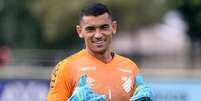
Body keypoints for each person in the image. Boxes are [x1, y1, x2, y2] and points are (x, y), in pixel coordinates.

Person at [47, 3, 152, 101]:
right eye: (90, 29)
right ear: (80, 31)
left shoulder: (131, 67)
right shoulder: (66, 67)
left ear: (113, 27)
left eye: (104, 27)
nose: (98, 35)